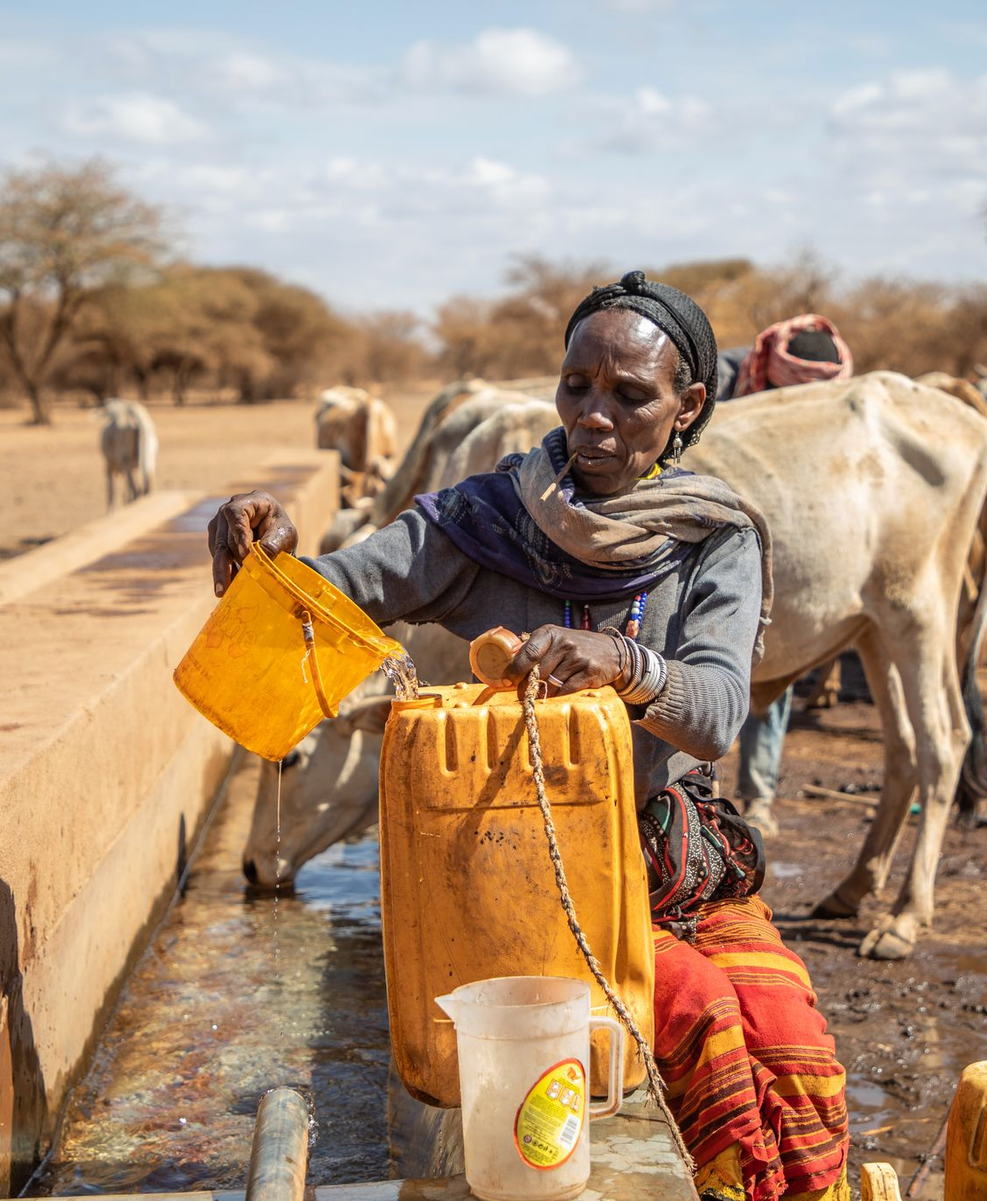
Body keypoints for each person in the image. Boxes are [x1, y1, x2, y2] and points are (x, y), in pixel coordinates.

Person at [207, 271, 849, 1200]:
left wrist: (624, 663)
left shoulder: (713, 537)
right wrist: (272, 559)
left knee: (786, 1020)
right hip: (519, 878)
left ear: (688, 406)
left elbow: (712, 716)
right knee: (700, 1010)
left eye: (630, 396)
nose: (594, 417)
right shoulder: (486, 522)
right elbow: (334, 597)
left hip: (663, 860)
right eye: (576, 386)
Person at [718, 315, 855, 833]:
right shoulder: (725, 381)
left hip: (783, 536)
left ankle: (756, 798)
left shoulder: (827, 400)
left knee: (771, 659)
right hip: (714, 533)